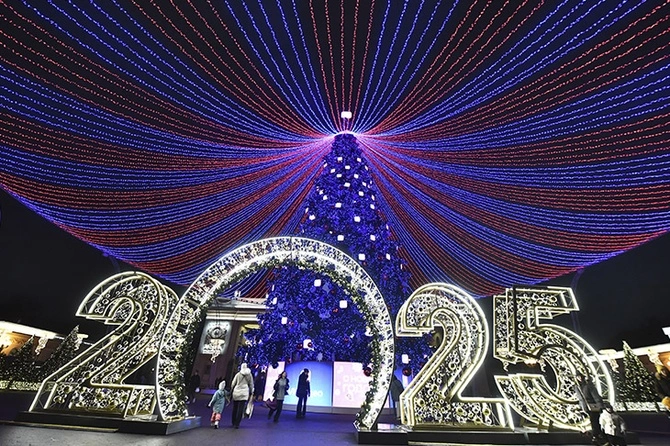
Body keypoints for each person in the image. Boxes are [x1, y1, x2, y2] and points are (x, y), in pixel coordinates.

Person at [575, 373, 605, 444]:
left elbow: (595, 396)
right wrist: (580, 406)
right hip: (585, 407)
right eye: (578, 377)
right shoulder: (577, 387)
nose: (579, 378)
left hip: (592, 406)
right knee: (590, 421)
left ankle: (596, 435)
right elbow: (580, 398)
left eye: (580, 376)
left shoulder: (589, 385)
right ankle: (594, 435)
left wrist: (600, 405)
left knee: (594, 421)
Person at [230, 363, 254, 428]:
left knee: (235, 408)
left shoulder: (238, 374)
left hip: (237, 392)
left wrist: (232, 389)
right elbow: (251, 384)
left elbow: (233, 383)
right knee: (241, 409)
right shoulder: (249, 375)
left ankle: (233, 422)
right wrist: (251, 391)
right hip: (244, 393)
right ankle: (237, 424)